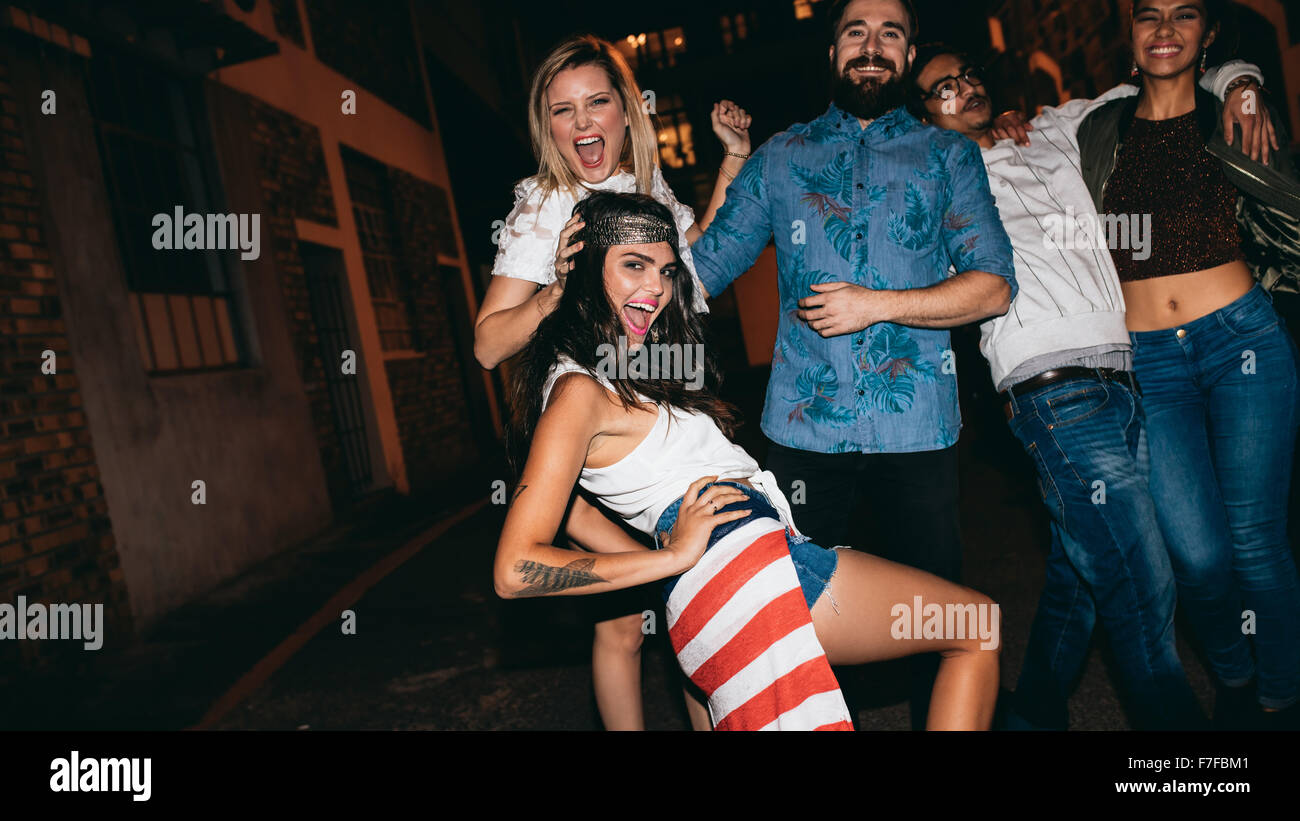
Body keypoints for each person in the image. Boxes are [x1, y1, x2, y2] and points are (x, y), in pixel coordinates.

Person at [495, 191, 1001, 730]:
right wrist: (671, 559)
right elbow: (516, 570)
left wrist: (674, 571)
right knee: (975, 626)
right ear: (584, 271)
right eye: (633, 265)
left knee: (971, 626)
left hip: (723, 584)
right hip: (742, 573)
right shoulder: (578, 390)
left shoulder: (617, 372)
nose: (656, 288)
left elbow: (577, 513)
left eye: (667, 271)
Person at [911, 44, 1268, 729]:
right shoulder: (935, 179)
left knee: (1084, 567)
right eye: (941, 89)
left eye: (968, 77)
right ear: (923, 116)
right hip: (1054, 392)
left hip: (1136, 373)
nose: (964, 89)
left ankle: (1033, 714)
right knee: (1140, 583)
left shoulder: (1053, 128)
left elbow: (1157, 84)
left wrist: (1242, 80)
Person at [688, 0, 1016, 729]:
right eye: (856, 33)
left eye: (890, 34)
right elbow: (700, 271)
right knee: (789, 631)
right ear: (833, 52)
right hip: (805, 438)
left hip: (918, 437)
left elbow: (992, 283)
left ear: (905, 55)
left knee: (939, 627)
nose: (873, 46)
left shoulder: (947, 155)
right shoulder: (781, 156)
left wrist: (877, 303)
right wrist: (598, 280)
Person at [474, 34, 751, 731]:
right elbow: (486, 344)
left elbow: (696, 264)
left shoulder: (646, 188)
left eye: (597, 102)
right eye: (563, 110)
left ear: (627, 111)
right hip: (579, 444)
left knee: (669, 596)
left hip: (648, 417)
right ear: (549, 127)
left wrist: (734, 163)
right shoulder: (546, 204)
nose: (583, 123)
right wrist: (551, 292)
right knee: (631, 613)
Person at [1075, 0, 1300, 729]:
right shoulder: (1097, 127)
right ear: (1131, 37)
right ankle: (1233, 671)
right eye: (1148, 14)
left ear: (1206, 36)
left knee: (1257, 543)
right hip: (1150, 364)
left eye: (1184, 14)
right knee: (1197, 556)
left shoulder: (1233, 114)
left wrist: (1242, 84)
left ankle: (1278, 696)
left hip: (1241, 342)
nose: (1165, 27)